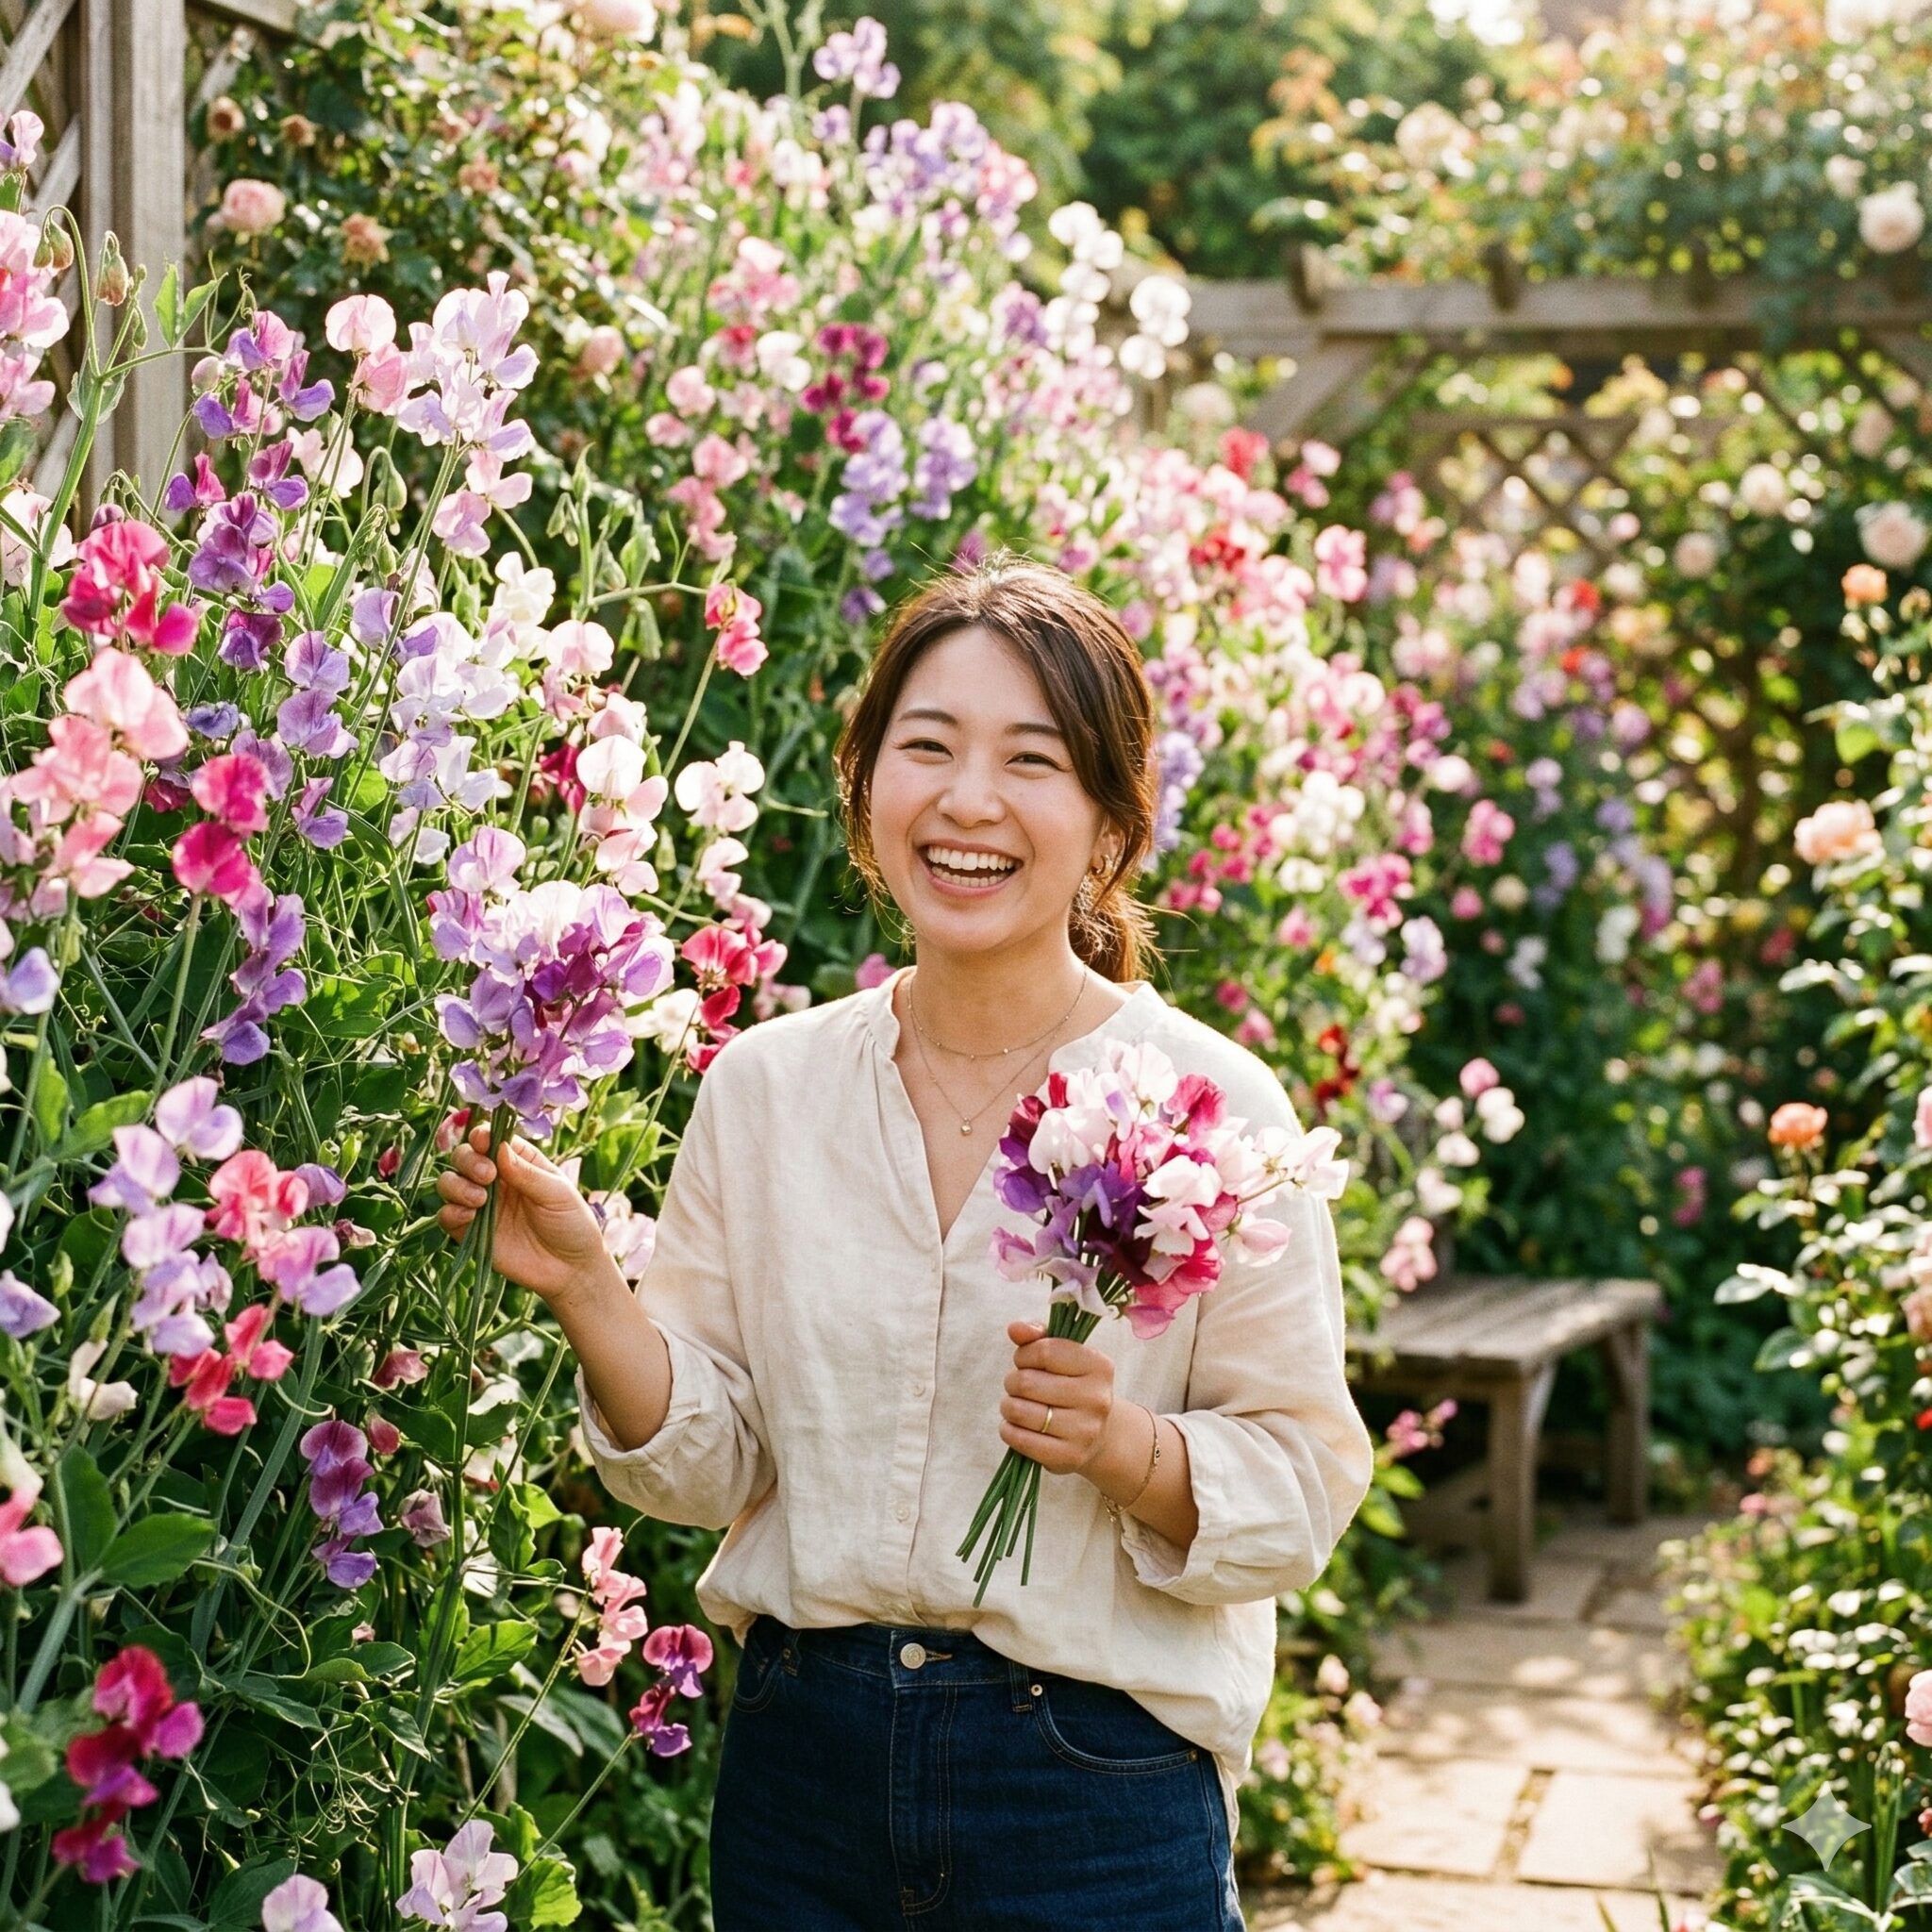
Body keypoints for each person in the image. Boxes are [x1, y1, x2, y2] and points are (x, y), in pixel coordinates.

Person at [436, 552, 1376, 1930]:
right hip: (803, 1778)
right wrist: (590, 1288)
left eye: (1032, 760)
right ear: (866, 789)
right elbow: (713, 1466)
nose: (969, 800)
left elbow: (1300, 1486)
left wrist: (1125, 1448)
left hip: (1095, 1789)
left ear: (1111, 827)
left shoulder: (1210, 1107)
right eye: (927, 747)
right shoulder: (768, 1089)